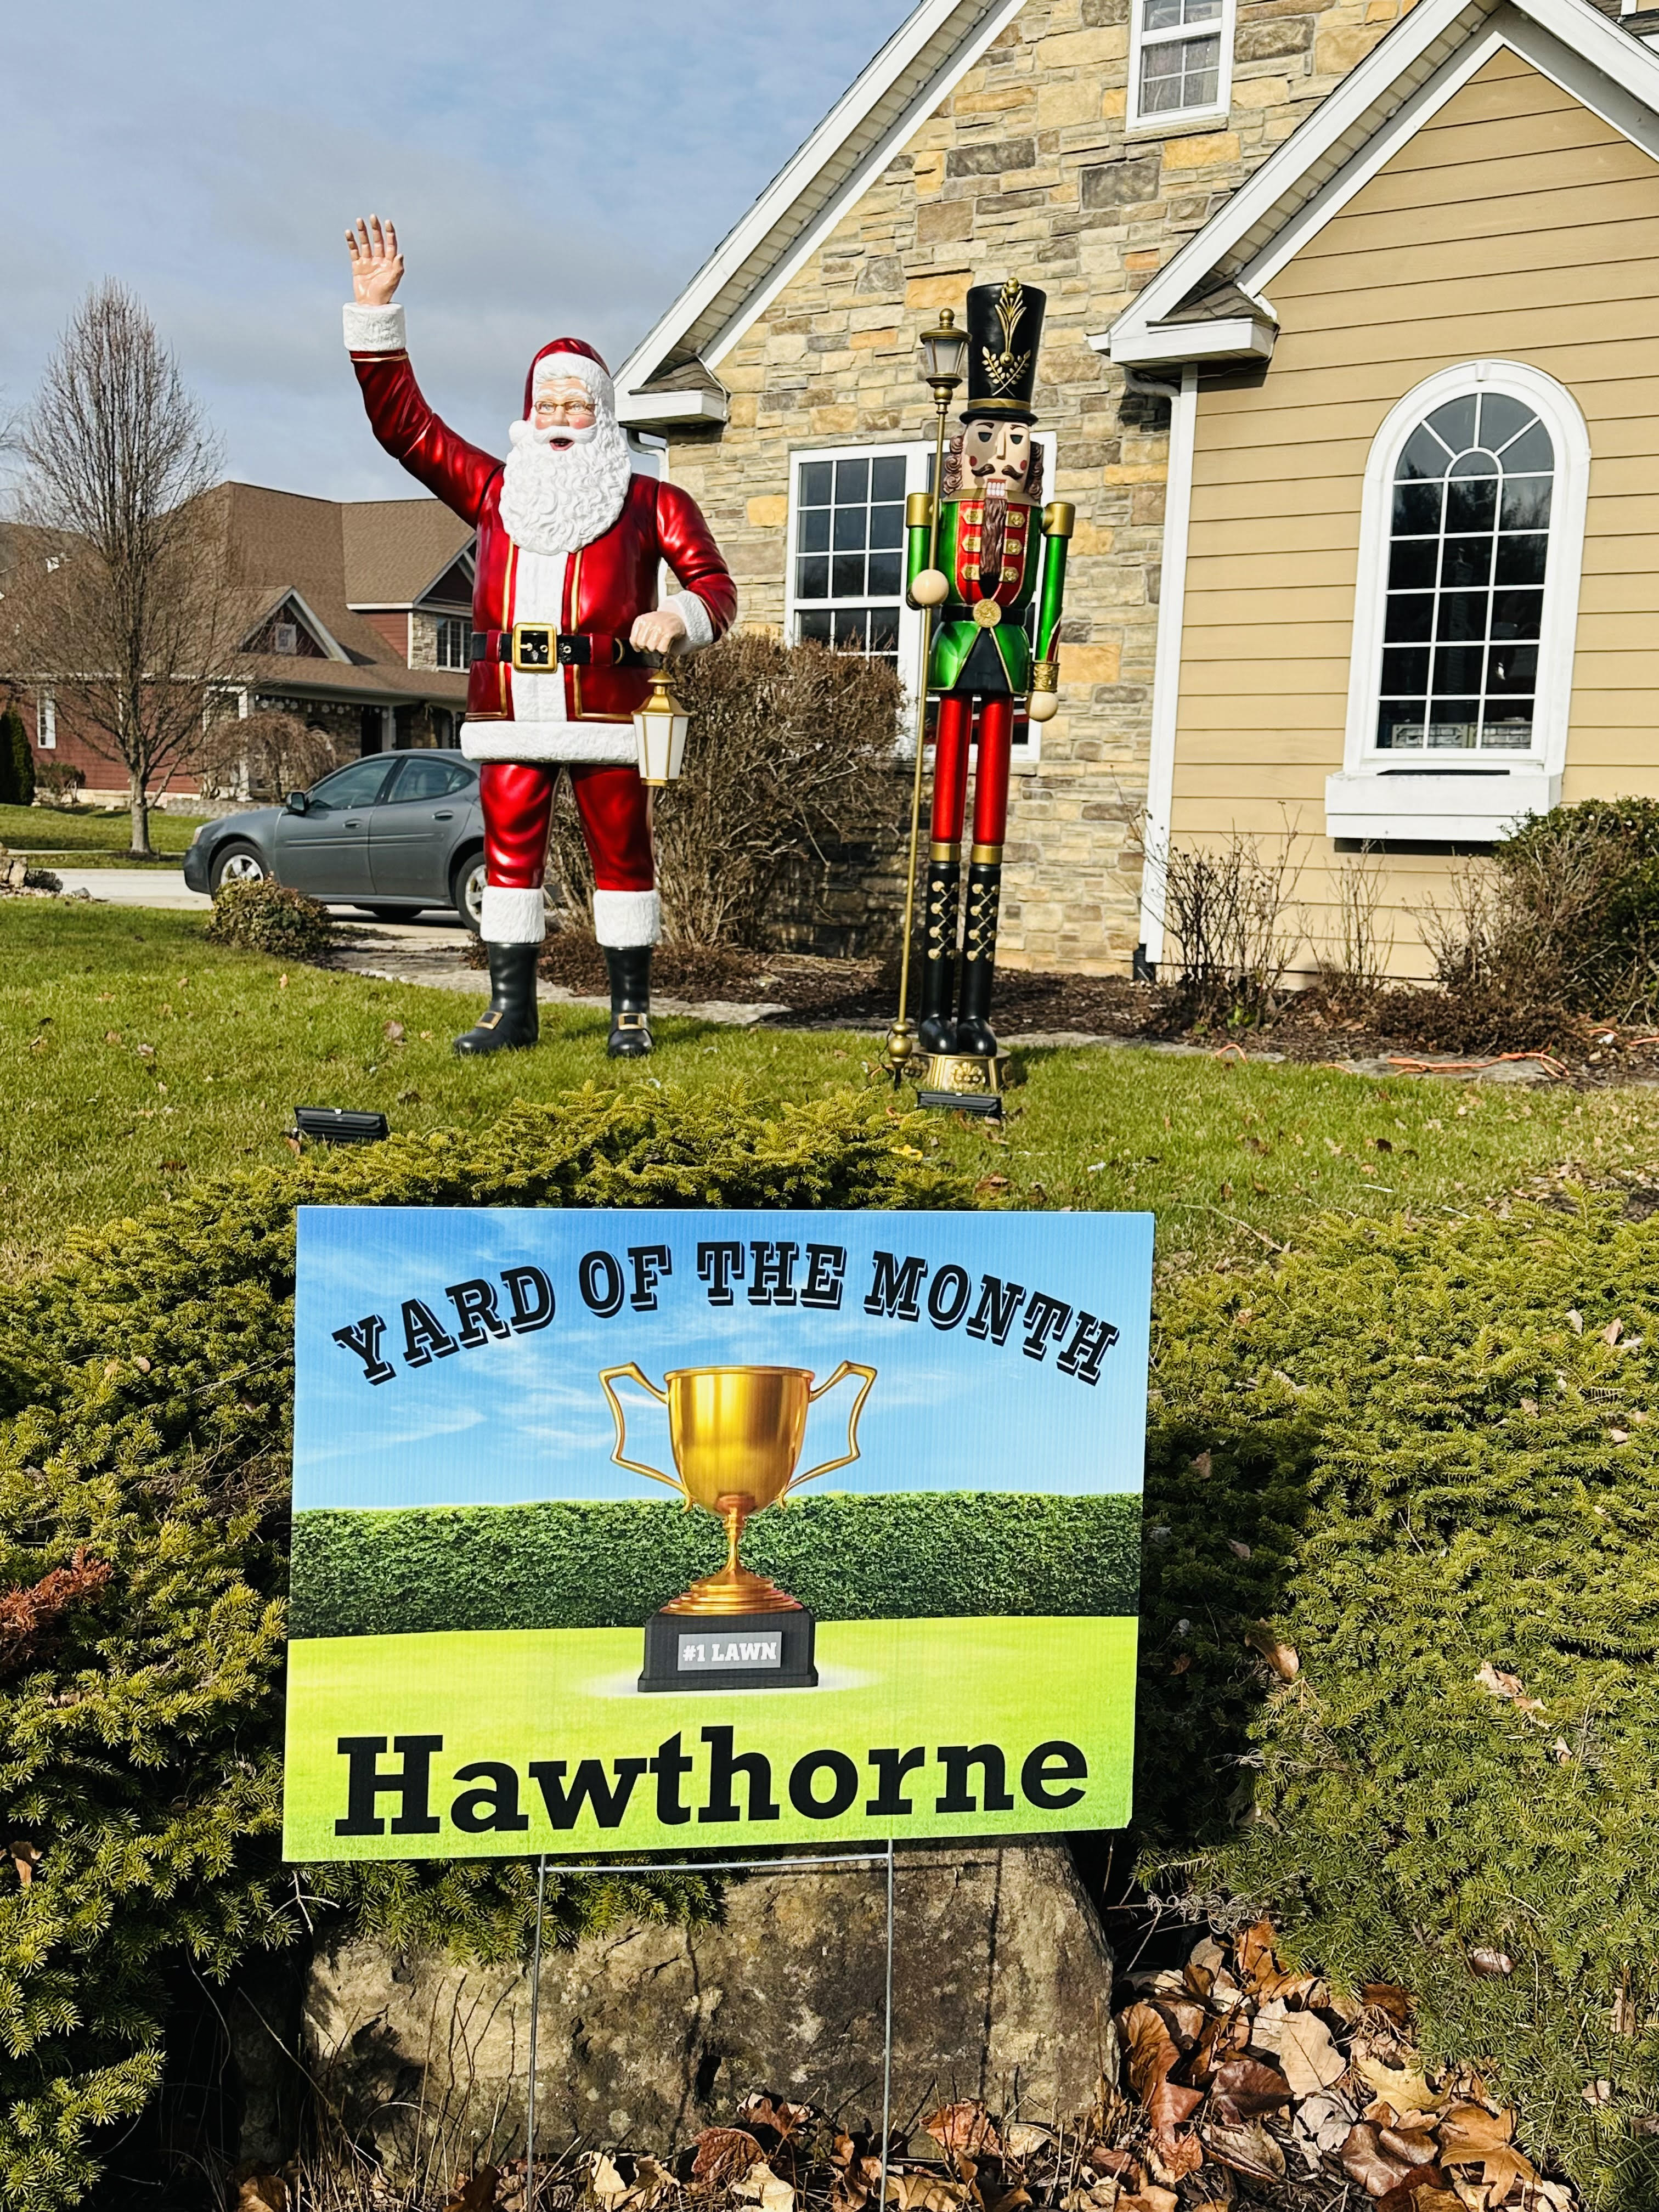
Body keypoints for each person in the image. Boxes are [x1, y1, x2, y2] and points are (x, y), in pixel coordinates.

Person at [342, 215, 737, 1057]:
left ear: (602, 415)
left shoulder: (648, 501)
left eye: (577, 404)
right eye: (548, 403)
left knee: (623, 857)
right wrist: (376, 316)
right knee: (511, 859)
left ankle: (629, 1011)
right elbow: (403, 428)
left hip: (607, 713)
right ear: (529, 412)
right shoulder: (493, 490)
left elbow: (716, 586)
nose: (561, 416)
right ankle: (509, 1009)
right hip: (509, 707)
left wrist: (680, 617)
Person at [905, 279, 1071, 1085]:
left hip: (1004, 664)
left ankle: (974, 1011)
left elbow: (1048, 598)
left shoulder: (1041, 520)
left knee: (989, 837)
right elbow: (919, 574)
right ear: (963, 437)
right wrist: (924, 581)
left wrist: (1044, 672)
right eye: (987, 433)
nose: (1000, 453)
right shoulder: (941, 507)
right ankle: (932, 1008)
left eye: (1013, 437)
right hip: (952, 663)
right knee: (943, 830)